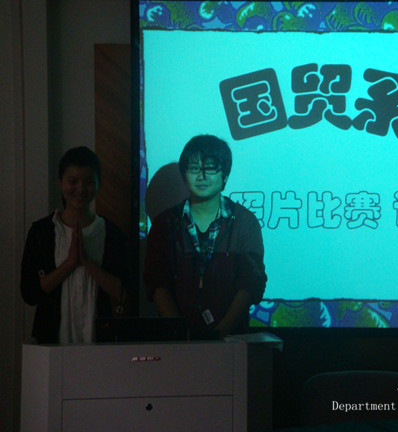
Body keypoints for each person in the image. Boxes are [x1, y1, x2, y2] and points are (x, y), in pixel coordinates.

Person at [144, 135, 266, 337]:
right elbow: (157, 282)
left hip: (231, 341)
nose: (201, 176)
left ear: (225, 175)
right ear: (184, 175)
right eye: (194, 168)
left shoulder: (244, 222)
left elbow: (250, 283)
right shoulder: (165, 223)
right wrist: (181, 333)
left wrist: (220, 334)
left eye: (210, 168)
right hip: (177, 342)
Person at [20, 146, 128, 344]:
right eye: (73, 181)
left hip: (102, 345)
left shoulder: (112, 234)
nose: (80, 189)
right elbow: (29, 293)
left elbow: (122, 292)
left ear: (98, 184)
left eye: (89, 182)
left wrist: (86, 261)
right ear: (60, 182)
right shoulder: (41, 232)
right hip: (52, 345)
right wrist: (69, 264)